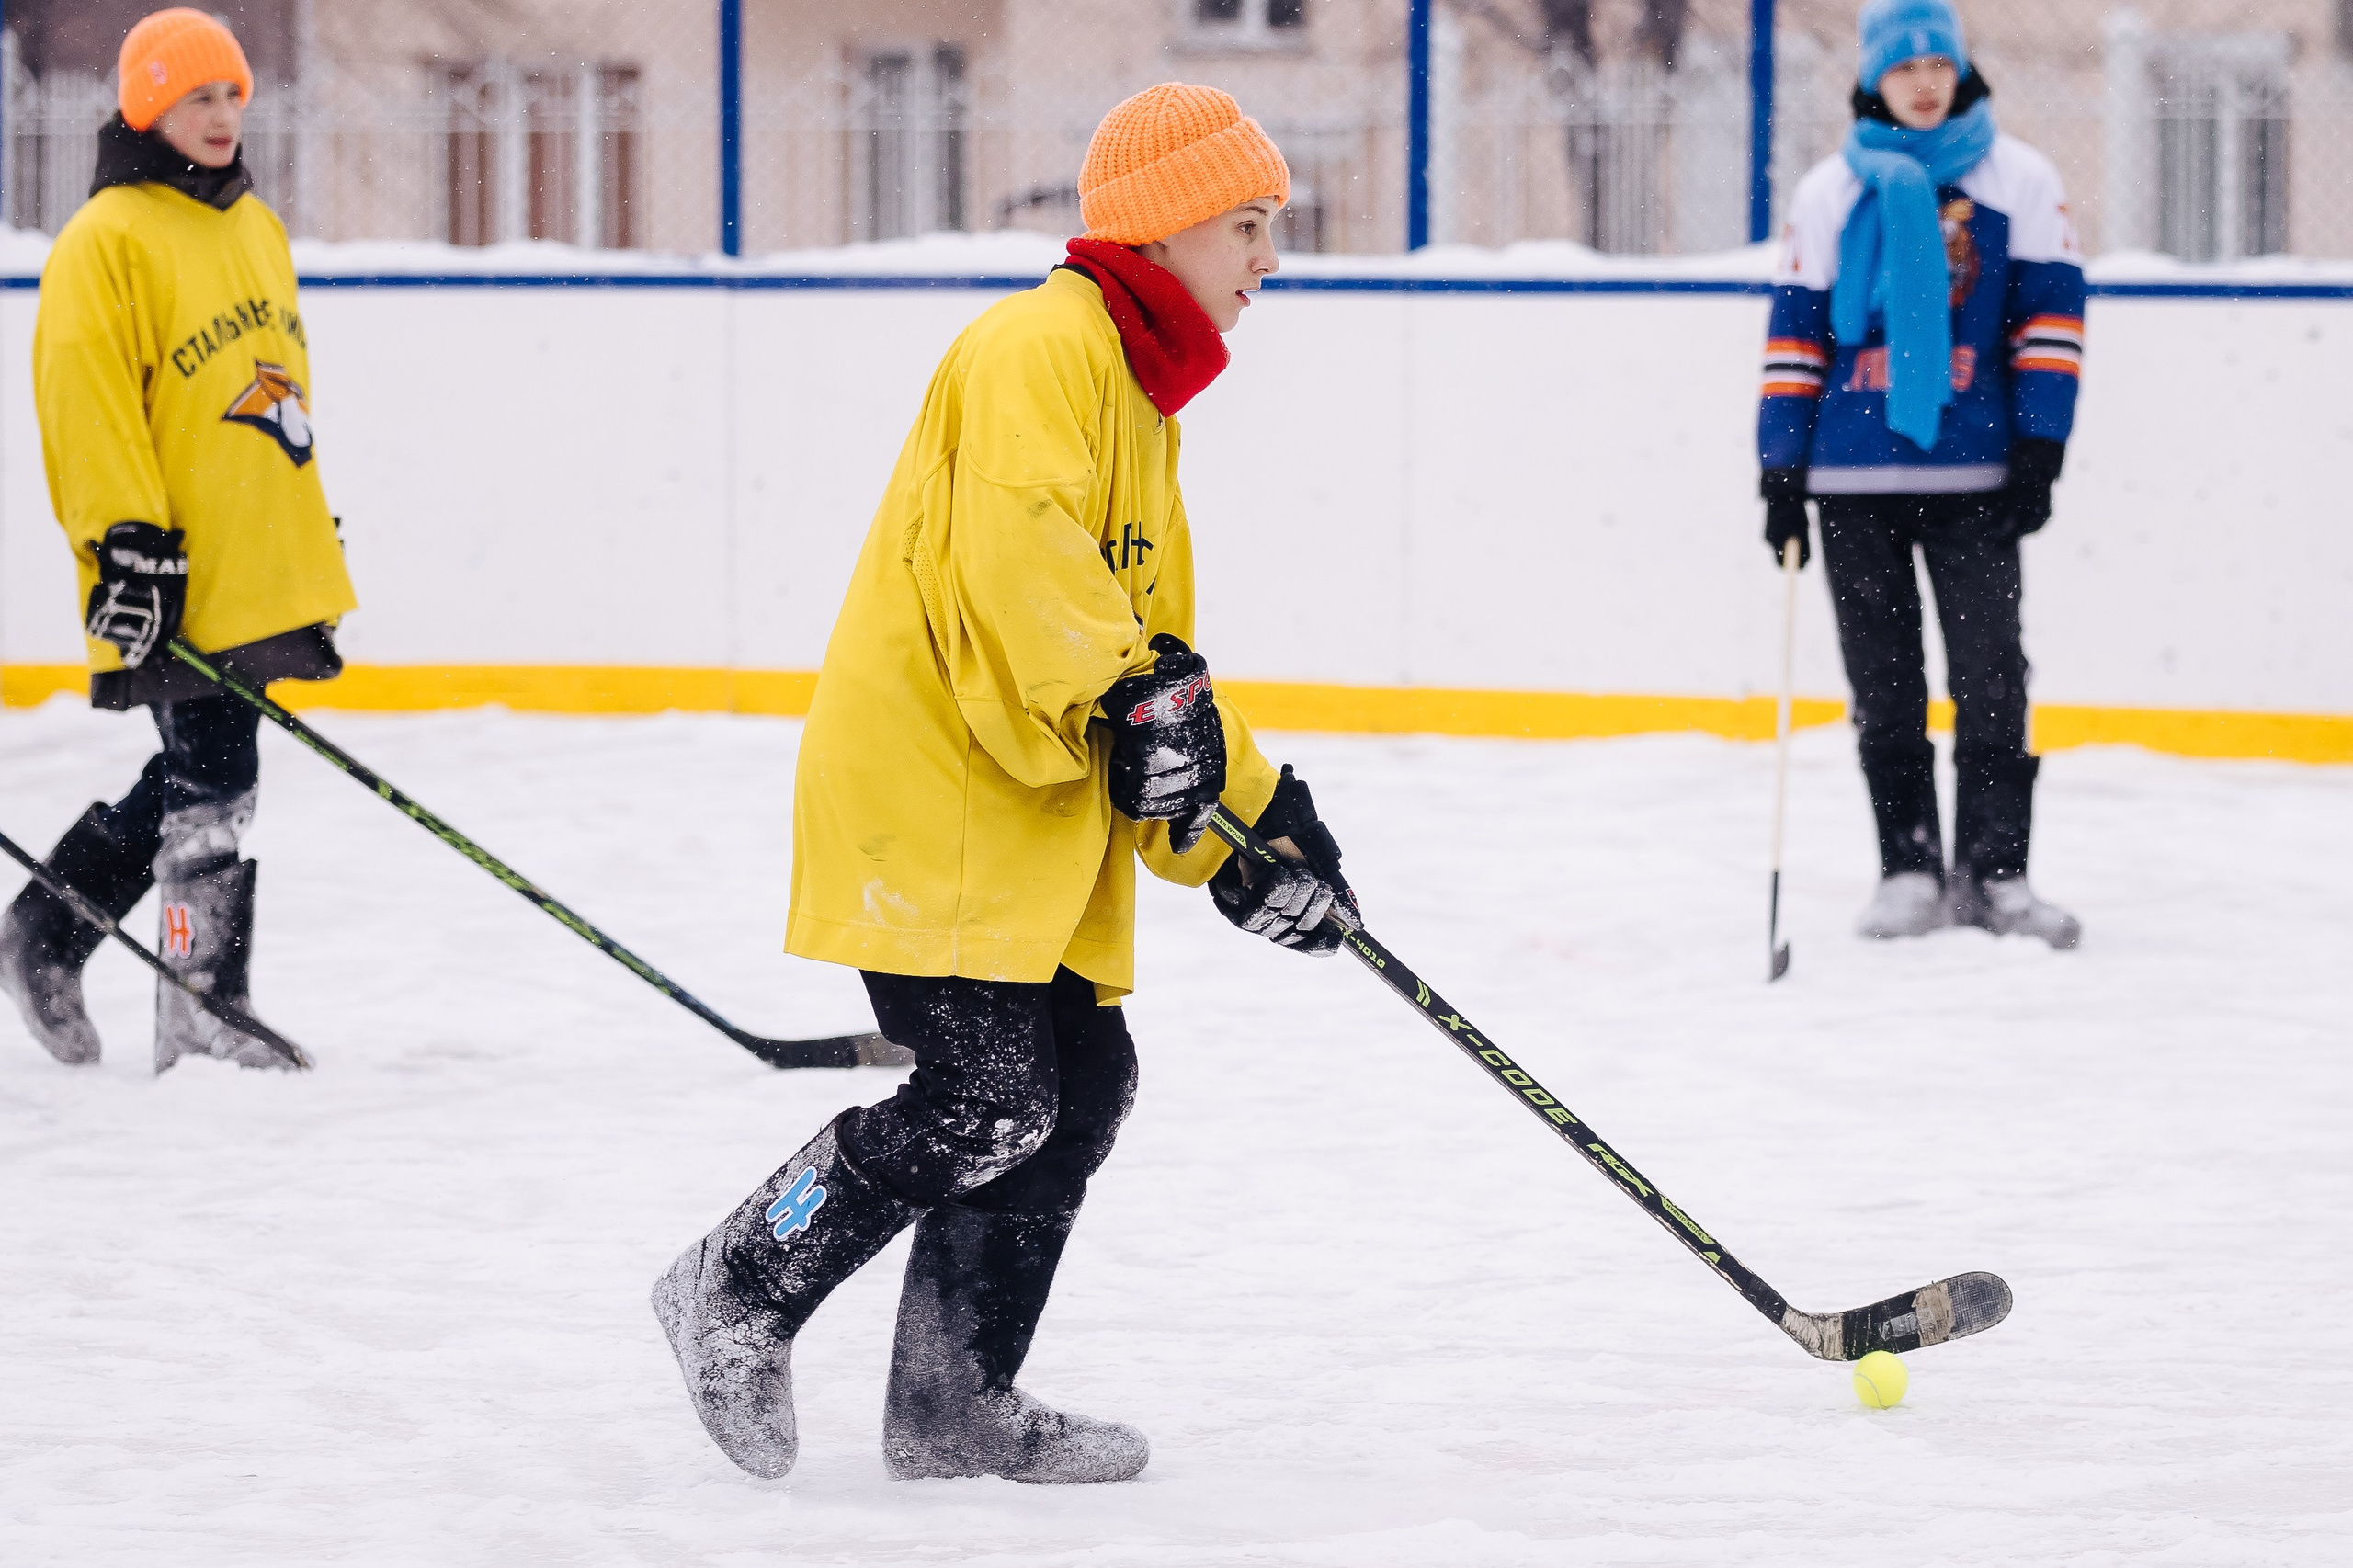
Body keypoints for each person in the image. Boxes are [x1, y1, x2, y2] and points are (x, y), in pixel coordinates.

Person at [653, 83, 1353, 1485]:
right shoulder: (1041, 346)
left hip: (1020, 816)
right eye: (1248, 225)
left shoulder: (1138, 399)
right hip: (935, 802)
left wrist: (1257, 834)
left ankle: (952, 1400)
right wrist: (1138, 706)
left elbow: (1149, 669)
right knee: (989, 1095)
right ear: (1161, 228)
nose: (1270, 256)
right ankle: (734, 1281)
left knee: (1079, 1082)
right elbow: (1026, 572)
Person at [0, 9, 357, 1069]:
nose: (221, 115)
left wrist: (302, 535)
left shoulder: (257, 229)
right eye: (196, 96)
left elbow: (273, 404)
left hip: (256, 558)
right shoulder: (104, 241)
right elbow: (87, 404)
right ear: (147, 105)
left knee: (209, 774)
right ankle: (200, 1007)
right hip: (167, 565)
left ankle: (49, 930)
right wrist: (125, 543)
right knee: (212, 770)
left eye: (232, 95)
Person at [1756, 0, 2084, 949]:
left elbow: (2050, 319)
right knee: (1884, 682)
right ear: (1872, 80)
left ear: (1962, 70)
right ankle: (1906, 866)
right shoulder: (1828, 191)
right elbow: (1794, 337)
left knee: (1990, 677)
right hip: (1851, 477)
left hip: (1974, 472)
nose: (1924, 81)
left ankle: (1996, 872)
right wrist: (1779, 469)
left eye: (1939, 63)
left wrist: (2040, 442)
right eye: (1903, 68)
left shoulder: (2018, 178)